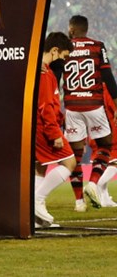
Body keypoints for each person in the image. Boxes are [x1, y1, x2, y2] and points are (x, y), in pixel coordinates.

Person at [62, 15, 117, 210]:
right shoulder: (98, 46)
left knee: (76, 156)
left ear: (72, 29)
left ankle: (79, 202)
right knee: (105, 146)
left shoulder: (64, 47)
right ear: (86, 29)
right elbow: (108, 77)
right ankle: (93, 183)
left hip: (71, 107)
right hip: (94, 104)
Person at [34, 32, 77, 228]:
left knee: (39, 167)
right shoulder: (43, 74)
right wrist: (54, 134)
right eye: (64, 56)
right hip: (44, 129)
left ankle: (34, 215)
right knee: (70, 162)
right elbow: (45, 107)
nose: (64, 61)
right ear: (54, 51)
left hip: (40, 127)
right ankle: (37, 201)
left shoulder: (44, 71)